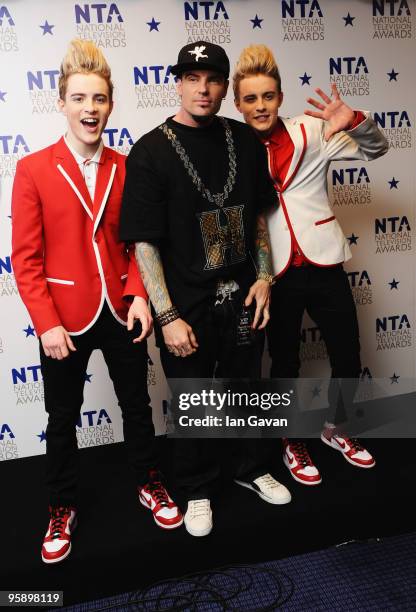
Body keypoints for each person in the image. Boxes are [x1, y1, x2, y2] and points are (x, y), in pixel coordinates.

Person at [11, 39, 182, 564]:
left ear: (110, 105)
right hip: (64, 319)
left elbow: (139, 243)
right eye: (80, 98)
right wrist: (46, 324)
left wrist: (137, 296)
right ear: (61, 101)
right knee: (62, 417)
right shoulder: (33, 169)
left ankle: (148, 482)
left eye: (100, 99)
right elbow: (26, 259)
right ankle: (61, 507)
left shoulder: (128, 167)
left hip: (121, 311)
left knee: (136, 404)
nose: (90, 108)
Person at [120, 41, 291, 537]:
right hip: (185, 301)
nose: (203, 88)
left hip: (241, 291)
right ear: (177, 82)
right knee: (194, 398)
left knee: (245, 385)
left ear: (224, 87)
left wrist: (263, 276)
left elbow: (258, 215)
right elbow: (145, 243)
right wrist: (167, 315)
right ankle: (196, 488)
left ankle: (251, 469)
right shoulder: (151, 150)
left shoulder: (242, 138)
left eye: (213, 79)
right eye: (192, 78)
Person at [233, 45, 388, 486]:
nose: (260, 106)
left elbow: (376, 150)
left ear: (280, 97)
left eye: (267, 96)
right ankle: (290, 439)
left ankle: (337, 428)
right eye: (250, 99)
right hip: (274, 272)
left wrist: (355, 121)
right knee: (284, 362)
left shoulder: (313, 131)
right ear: (238, 104)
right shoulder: (234, 149)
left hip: (323, 261)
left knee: (348, 353)